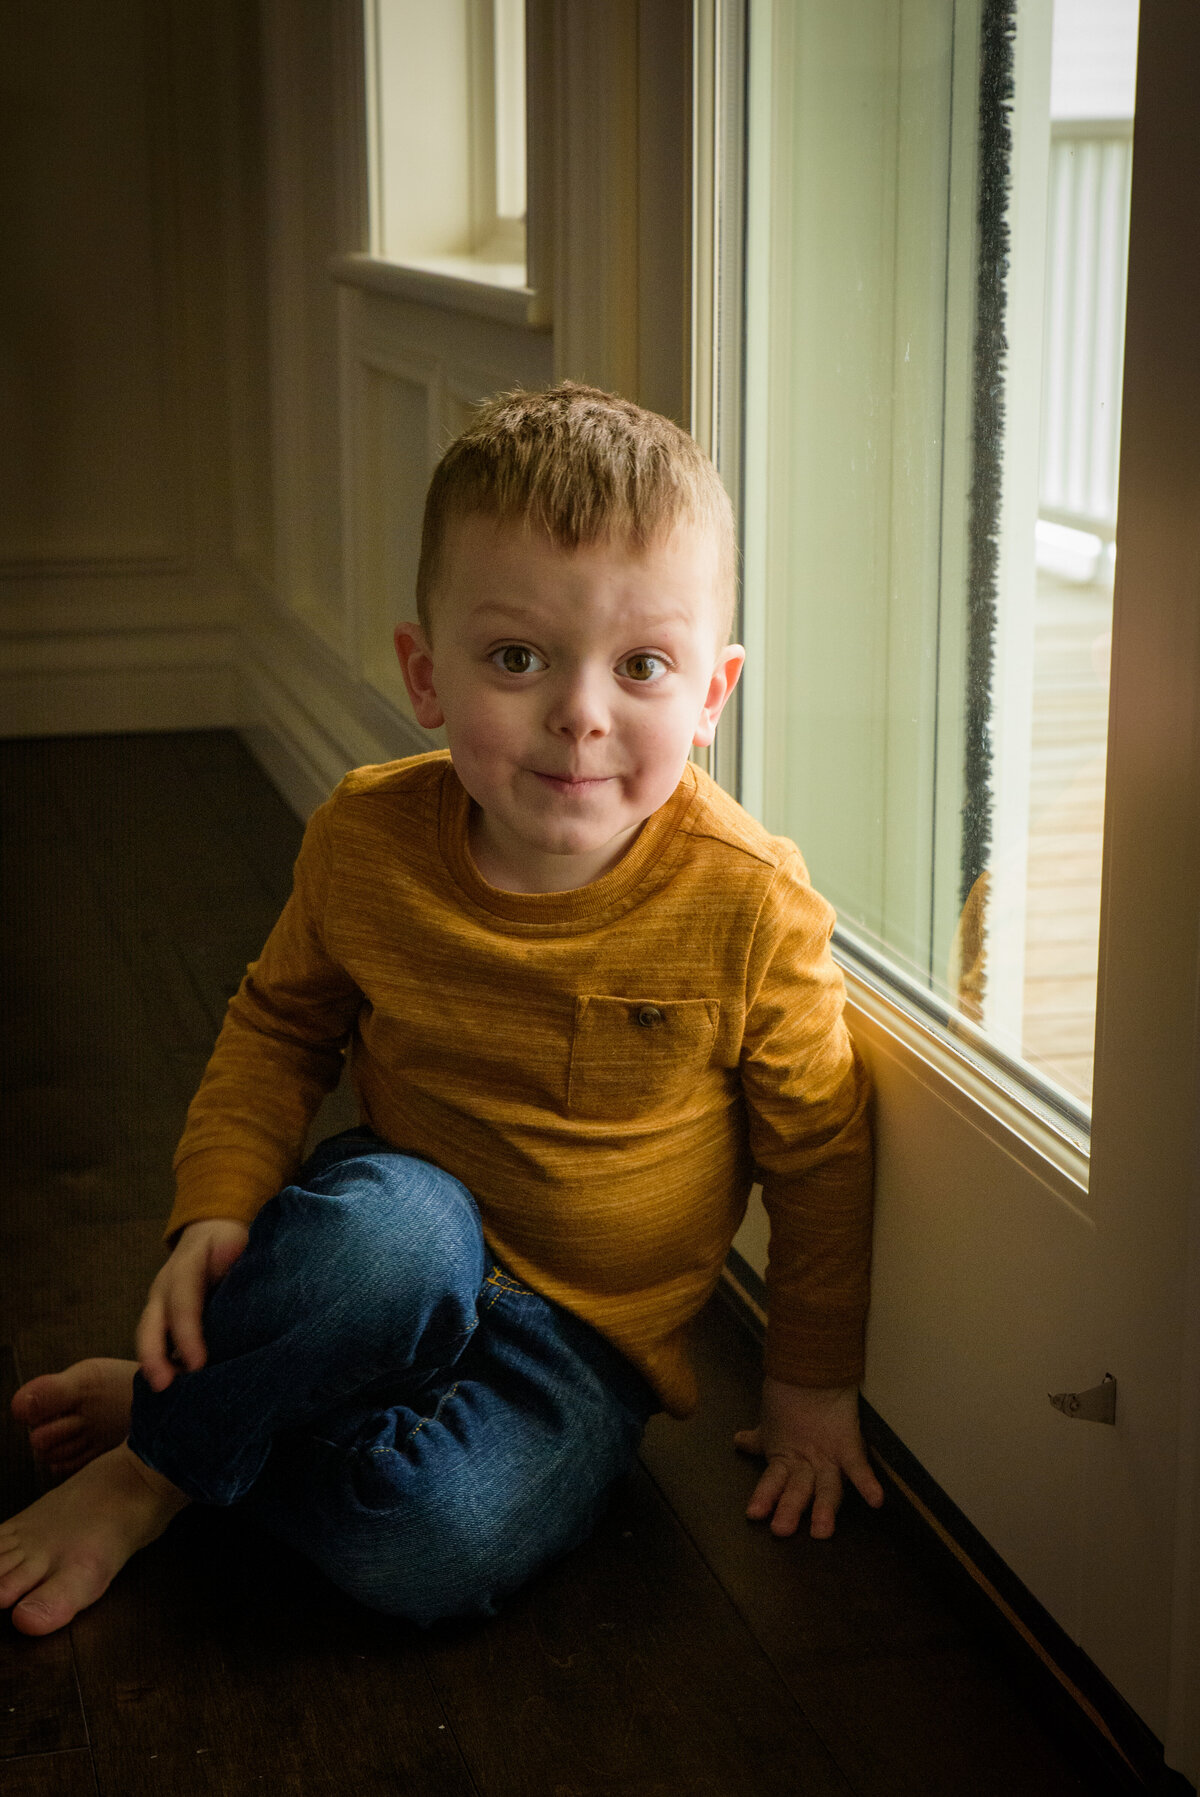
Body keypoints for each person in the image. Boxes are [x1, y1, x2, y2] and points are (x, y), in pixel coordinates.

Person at [1, 383, 883, 1638]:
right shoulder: (368, 840)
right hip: (403, 1236)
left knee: (426, 1542)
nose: (580, 712)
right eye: (517, 657)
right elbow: (278, 1027)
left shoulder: (749, 907)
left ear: (712, 694)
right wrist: (216, 1207)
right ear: (426, 671)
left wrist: (810, 1384)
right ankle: (152, 1470)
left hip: (583, 1346)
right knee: (386, 1242)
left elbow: (823, 1153)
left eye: (642, 665)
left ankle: (215, 1411)